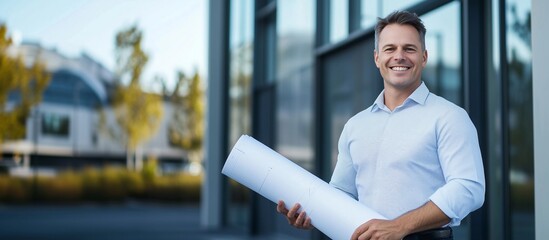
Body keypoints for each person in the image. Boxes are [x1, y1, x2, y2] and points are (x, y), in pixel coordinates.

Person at [276, 10, 485, 240]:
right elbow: (341, 194)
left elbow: (468, 188)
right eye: (390, 49)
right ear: (377, 58)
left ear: (424, 57)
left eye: (409, 49)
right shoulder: (355, 125)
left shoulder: (449, 117)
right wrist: (312, 215)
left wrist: (399, 226)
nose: (399, 56)